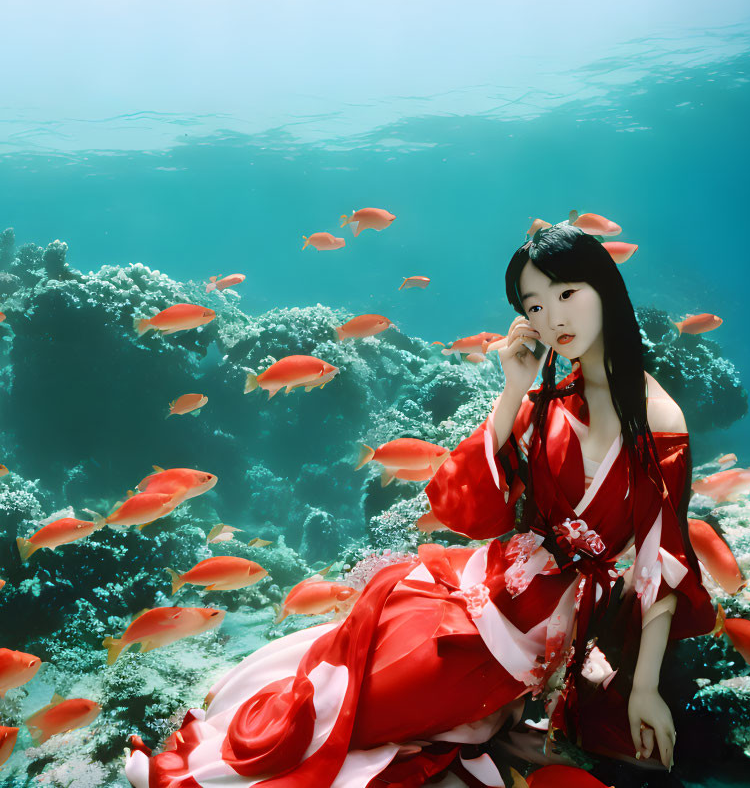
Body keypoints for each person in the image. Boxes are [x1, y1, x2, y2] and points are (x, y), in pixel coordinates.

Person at [124, 223, 718, 788]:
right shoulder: (544, 397)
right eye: (534, 305)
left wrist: (643, 688)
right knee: (357, 681)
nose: (553, 317)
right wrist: (513, 387)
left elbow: (658, 562)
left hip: (546, 621)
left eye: (566, 293)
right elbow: (471, 508)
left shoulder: (660, 421)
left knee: (384, 705)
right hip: (485, 582)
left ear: (605, 288)